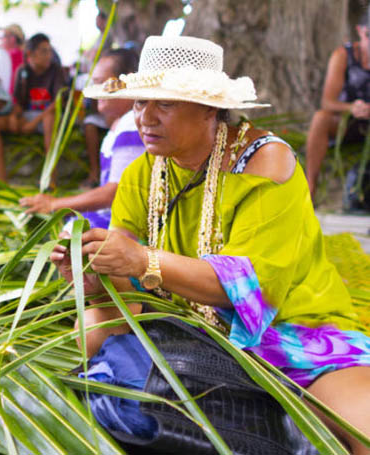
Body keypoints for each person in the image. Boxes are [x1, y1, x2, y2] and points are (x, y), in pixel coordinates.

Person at [51, 35, 370, 453]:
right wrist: (95, 279)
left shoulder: (263, 163)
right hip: (189, 326)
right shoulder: (145, 173)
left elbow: (251, 288)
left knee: (362, 430)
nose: (144, 118)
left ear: (208, 108)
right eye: (138, 103)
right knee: (89, 329)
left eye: (163, 104)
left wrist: (143, 260)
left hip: (294, 333)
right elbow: (125, 286)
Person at [20, 48, 141, 229]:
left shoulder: (132, 123)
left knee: (70, 237)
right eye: (94, 83)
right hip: (115, 213)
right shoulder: (120, 123)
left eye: (101, 83)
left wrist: (55, 205)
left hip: (126, 222)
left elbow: (116, 192)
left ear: (127, 81)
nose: (95, 91)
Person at [304, 11, 370, 201]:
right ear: (360, 31)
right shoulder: (343, 55)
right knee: (321, 118)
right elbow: (327, 101)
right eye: (369, 36)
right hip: (348, 122)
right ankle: (310, 187)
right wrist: (352, 108)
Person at [0, 33, 66, 181]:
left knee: (49, 119)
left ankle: (51, 180)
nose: (49, 55)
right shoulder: (22, 71)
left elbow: (58, 102)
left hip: (48, 117)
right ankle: (0, 178)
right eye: (44, 51)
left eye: (50, 51)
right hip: (28, 116)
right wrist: (13, 116)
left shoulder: (56, 71)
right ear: (30, 54)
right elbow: (18, 103)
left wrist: (34, 123)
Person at [0, 24, 25, 93]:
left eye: (3, 36)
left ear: (12, 39)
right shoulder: (25, 54)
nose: (1, 39)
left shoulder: (10, 56)